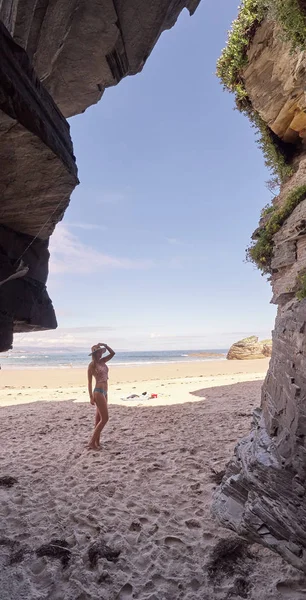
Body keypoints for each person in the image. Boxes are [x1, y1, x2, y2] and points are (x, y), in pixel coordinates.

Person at [87, 342, 115, 450]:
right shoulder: (92, 365)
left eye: (100, 352)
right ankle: (91, 442)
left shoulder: (103, 361)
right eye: (98, 352)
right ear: (94, 354)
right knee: (105, 418)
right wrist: (90, 396)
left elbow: (113, 353)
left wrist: (106, 345)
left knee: (98, 419)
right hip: (98, 392)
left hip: (105, 391)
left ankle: (97, 442)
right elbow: (89, 382)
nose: (100, 354)